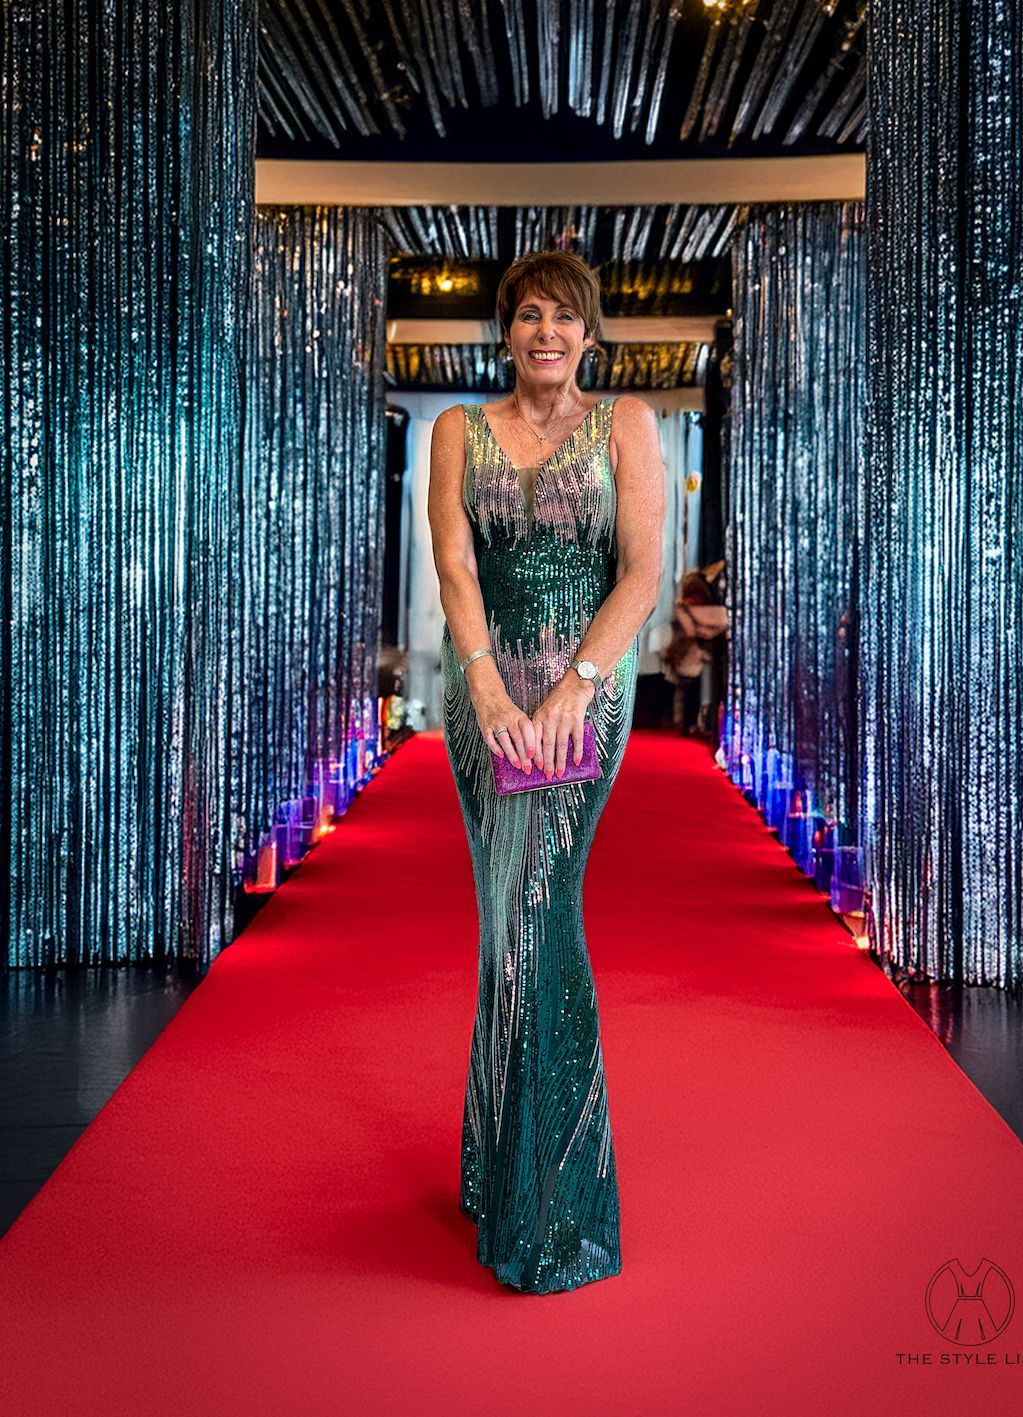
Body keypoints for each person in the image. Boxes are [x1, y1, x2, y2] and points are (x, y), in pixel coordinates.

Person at [428, 249, 665, 1293]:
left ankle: (557, 1204)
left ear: (589, 333)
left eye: (565, 317)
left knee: (543, 914)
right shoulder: (456, 431)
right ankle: (498, 1164)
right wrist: (485, 689)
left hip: (580, 704)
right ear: (507, 331)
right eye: (528, 315)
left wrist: (575, 685)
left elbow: (645, 571)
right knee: (503, 922)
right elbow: (451, 561)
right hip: (486, 703)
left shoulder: (627, 426)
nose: (546, 333)